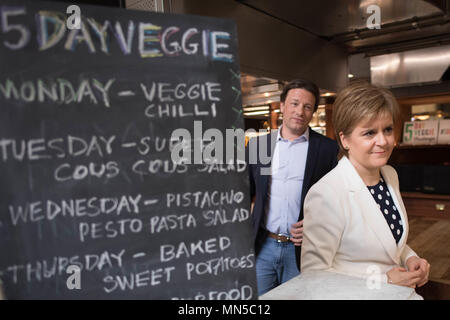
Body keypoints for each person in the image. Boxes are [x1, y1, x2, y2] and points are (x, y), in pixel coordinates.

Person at [301, 81, 430, 290]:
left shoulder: (389, 175)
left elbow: (388, 240)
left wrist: (410, 258)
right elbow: (314, 276)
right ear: (344, 140)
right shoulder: (326, 193)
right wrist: (383, 281)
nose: (383, 141)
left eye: (387, 129)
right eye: (369, 133)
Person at [247, 78, 339, 296]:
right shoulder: (259, 145)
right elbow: (245, 194)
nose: (300, 111)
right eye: (294, 103)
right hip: (263, 247)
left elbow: (337, 200)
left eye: (307, 107)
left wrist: (316, 223)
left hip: (303, 250)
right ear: (282, 106)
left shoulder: (327, 149)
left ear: (313, 112)